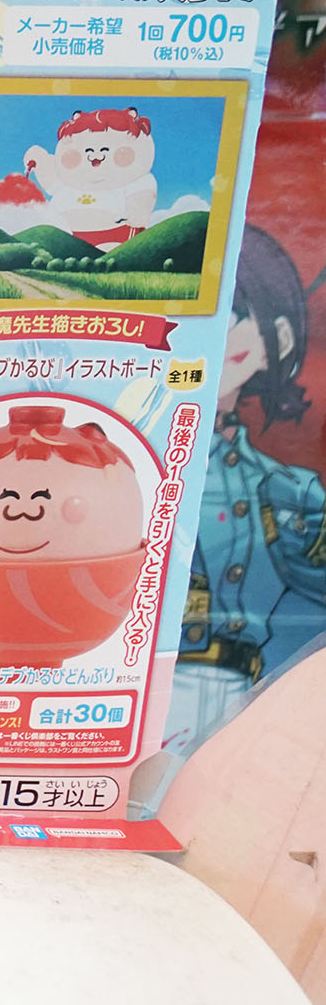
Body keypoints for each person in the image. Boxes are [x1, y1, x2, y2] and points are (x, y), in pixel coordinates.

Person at [173, 225, 326, 751]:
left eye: (231, 316)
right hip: (111, 693)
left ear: (275, 343)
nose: (200, 338)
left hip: (244, 702)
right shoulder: (107, 466)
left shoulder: (288, 490)